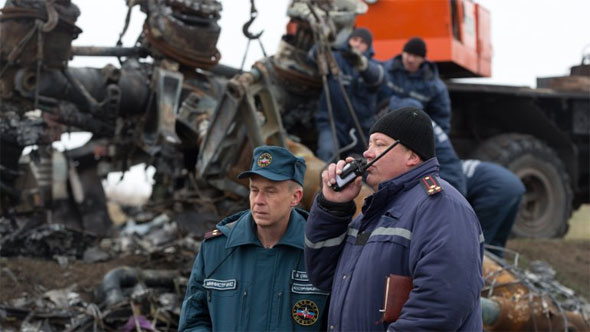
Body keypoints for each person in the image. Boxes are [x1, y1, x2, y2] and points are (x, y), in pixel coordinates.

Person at [304, 107, 483, 331]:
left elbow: (442, 301)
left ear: (412, 156)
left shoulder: (441, 206)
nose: (368, 153)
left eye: (379, 144)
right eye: (369, 144)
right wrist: (333, 207)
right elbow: (322, 276)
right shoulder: (372, 212)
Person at [179, 146, 329, 331]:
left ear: (295, 197)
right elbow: (193, 322)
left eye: (270, 191)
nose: (258, 200)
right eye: (254, 189)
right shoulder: (217, 249)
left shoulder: (319, 251)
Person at [311, 27, 385, 162]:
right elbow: (313, 57)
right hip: (332, 124)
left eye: (362, 42)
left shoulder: (375, 66)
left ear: (368, 47)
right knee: (327, 152)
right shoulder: (335, 60)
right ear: (348, 41)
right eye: (354, 39)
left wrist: (363, 65)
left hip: (361, 129)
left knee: (366, 164)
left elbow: (377, 78)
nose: (357, 44)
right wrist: (323, 42)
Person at [379, 37, 452, 134]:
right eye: (408, 54)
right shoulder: (383, 71)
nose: (411, 59)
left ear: (423, 59)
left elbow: (441, 121)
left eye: (416, 56)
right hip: (380, 127)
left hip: (411, 134)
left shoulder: (435, 88)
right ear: (403, 53)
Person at [462, 159, 525, 257]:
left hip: (495, 189)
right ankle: (498, 266)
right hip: (515, 184)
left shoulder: (447, 174)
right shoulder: (456, 165)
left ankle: (475, 267)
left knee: (476, 240)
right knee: (496, 242)